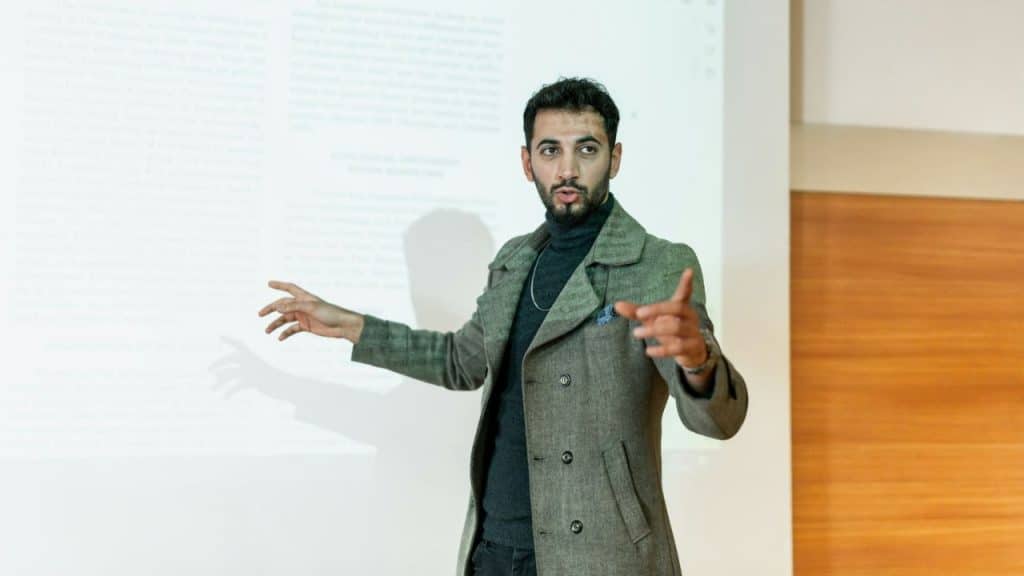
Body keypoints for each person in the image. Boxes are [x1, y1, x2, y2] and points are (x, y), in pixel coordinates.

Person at [258, 77, 749, 576]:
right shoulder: (514, 261)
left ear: (615, 158)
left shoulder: (656, 265)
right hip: (492, 549)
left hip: (601, 556)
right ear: (527, 162)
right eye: (550, 150)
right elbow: (461, 362)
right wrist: (352, 326)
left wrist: (698, 362)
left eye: (587, 149)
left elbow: (720, 421)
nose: (568, 169)